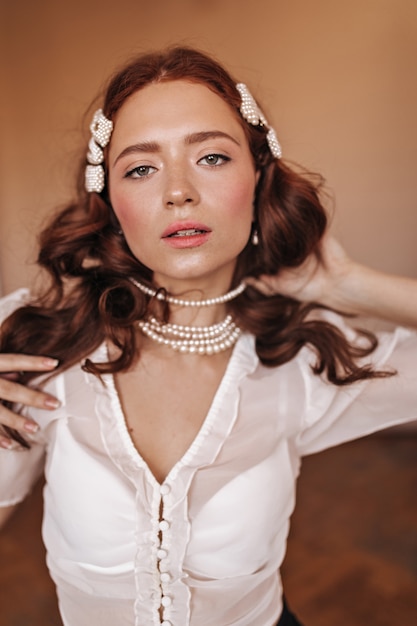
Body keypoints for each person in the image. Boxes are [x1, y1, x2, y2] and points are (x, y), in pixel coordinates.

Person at [0, 46, 416, 626]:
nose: (178, 191)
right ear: (112, 205)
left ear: (258, 177)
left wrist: (346, 284)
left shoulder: (303, 361)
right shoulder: (43, 349)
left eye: (212, 157)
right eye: (141, 168)